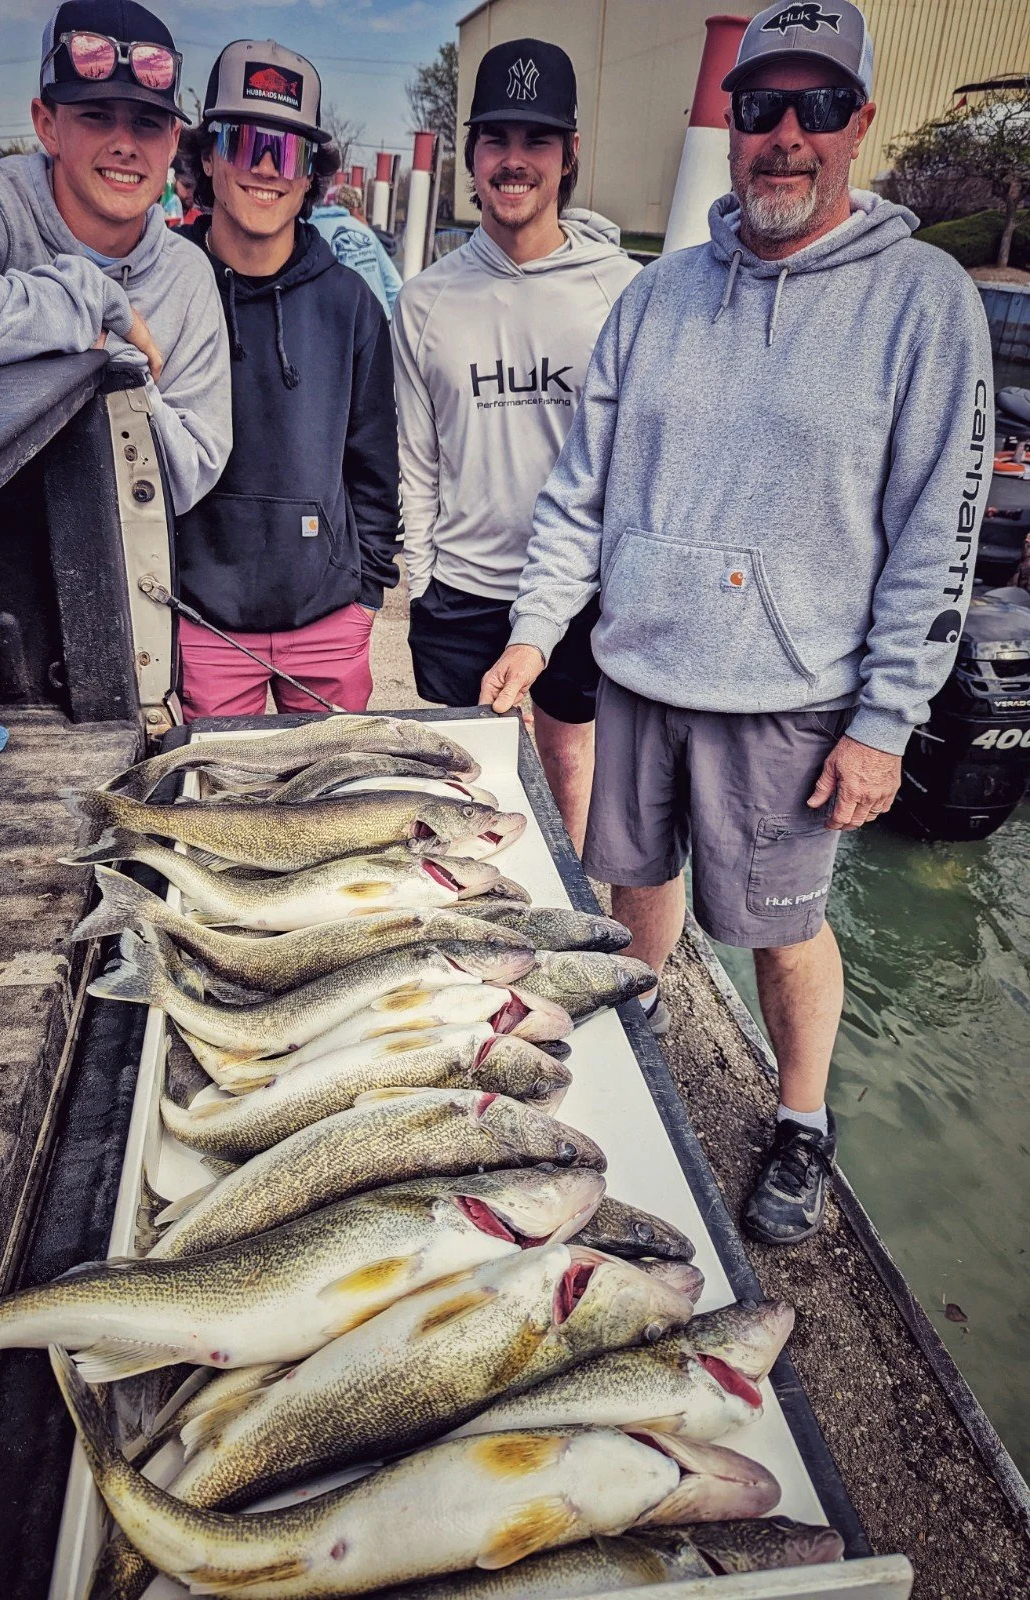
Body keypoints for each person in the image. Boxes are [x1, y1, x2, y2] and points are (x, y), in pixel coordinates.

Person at [480, 0, 994, 1244]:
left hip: (792, 697)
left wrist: (883, 723)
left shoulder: (924, 303)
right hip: (641, 672)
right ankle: (632, 1041)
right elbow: (580, 489)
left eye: (816, 107)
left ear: (857, 125)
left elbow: (942, 535)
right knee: (631, 881)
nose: (783, 133)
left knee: (783, 928)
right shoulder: (656, 297)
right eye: (761, 104)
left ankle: (802, 1119)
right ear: (731, 120)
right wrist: (535, 629)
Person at [392, 39, 639, 850]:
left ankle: (561, 903)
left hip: (578, 589)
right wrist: (424, 579)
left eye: (536, 140)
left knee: (569, 754)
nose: (513, 160)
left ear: (569, 155)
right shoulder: (425, 297)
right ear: (470, 156)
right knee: (466, 772)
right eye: (495, 139)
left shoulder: (622, 291)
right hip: (462, 584)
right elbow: (417, 456)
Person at [0, 0, 232, 517]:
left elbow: (189, 472)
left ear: (173, 140)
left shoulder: (187, 275)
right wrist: (93, 301)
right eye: (95, 115)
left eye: (148, 123)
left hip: (107, 563)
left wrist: (113, 368)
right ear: (47, 125)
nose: (125, 144)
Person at [173, 40, 400, 716]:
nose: (267, 170)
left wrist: (367, 594)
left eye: (289, 152)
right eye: (245, 143)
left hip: (328, 620)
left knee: (334, 808)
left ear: (311, 177)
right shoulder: (162, 287)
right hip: (203, 621)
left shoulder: (350, 303)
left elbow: (374, 466)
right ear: (207, 157)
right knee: (217, 810)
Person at [311, 183, 402, 316]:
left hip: (338, 327)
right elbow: (395, 287)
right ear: (356, 208)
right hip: (379, 323)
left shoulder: (310, 231)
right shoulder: (366, 232)